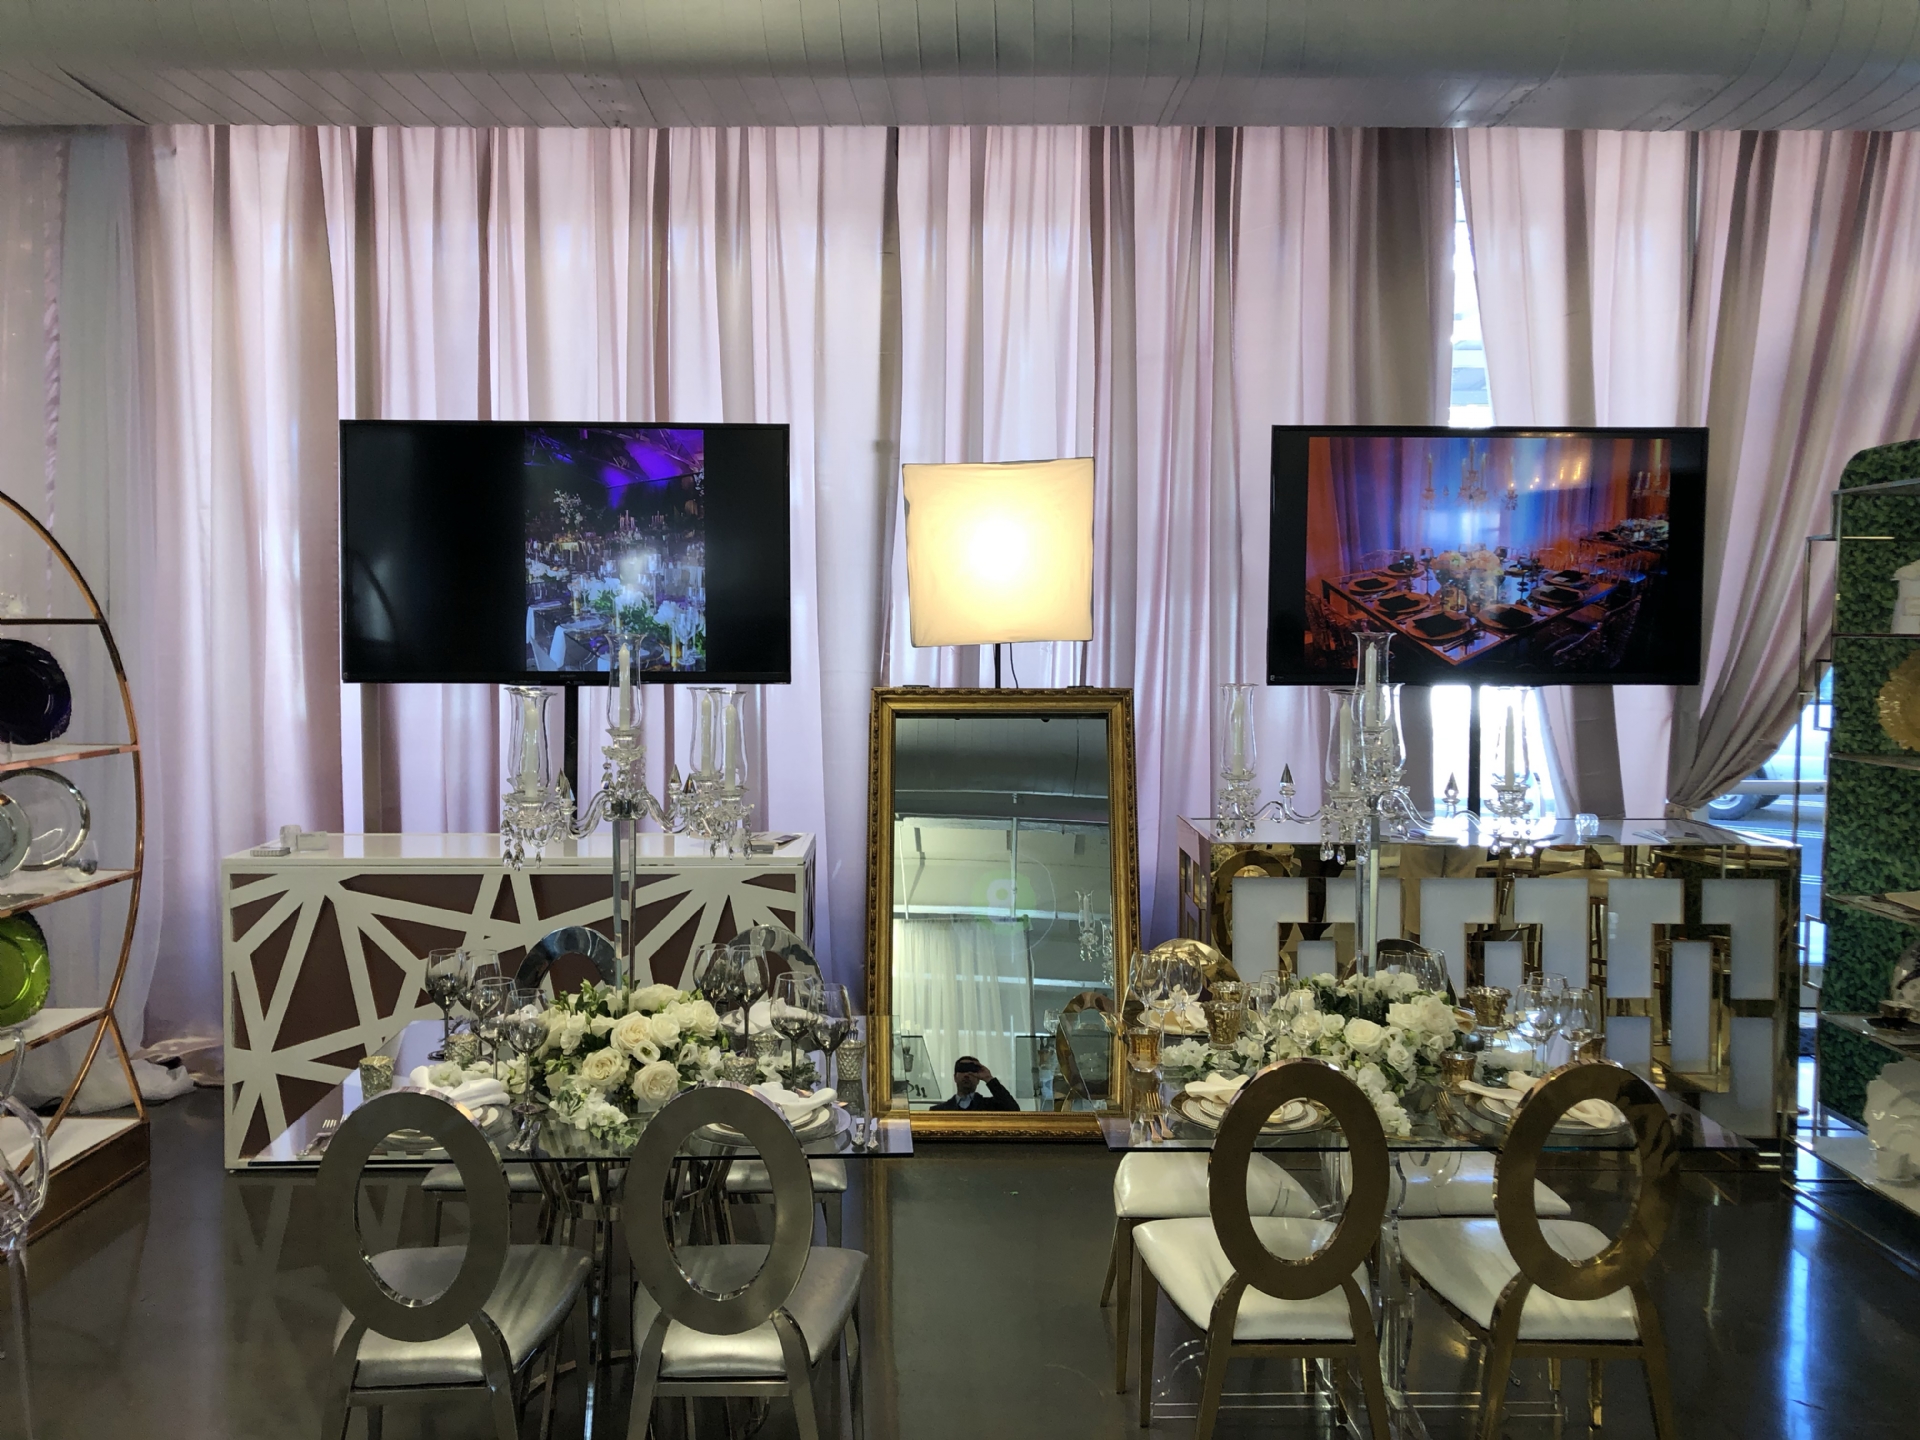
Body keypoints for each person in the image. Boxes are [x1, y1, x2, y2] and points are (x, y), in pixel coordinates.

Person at [931, 1056, 1022, 1112]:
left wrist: (989, 1079)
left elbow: (1013, 1110)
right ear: (955, 1077)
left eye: (972, 1071)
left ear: (978, 1079)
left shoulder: (990, 1106)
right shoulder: (938, 1111)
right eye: (962, 1070)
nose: (967, 1075)